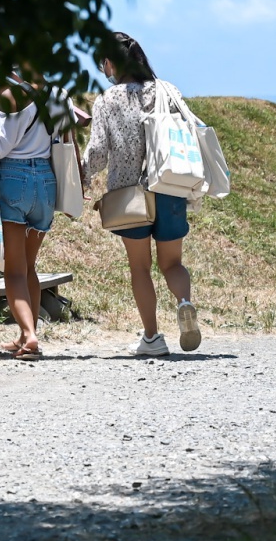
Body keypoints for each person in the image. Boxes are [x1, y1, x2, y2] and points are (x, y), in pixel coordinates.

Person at [82, 32, 201, 356]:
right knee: (172, 263)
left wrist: (81, 174)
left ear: (111, 62)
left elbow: (98, 153)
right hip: (170, 186)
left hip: (129, 194)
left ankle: (152, 337)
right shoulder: (168, 90)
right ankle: (184, 303)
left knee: (140, 268)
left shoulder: (108, 100)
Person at [0, 87, 65, 359]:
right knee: (28, 266)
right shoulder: (59, 95)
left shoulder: (12, 96)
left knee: (14, 270)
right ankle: (26, 335)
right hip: (46, 180)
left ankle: (30, 336)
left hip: (14, 178)